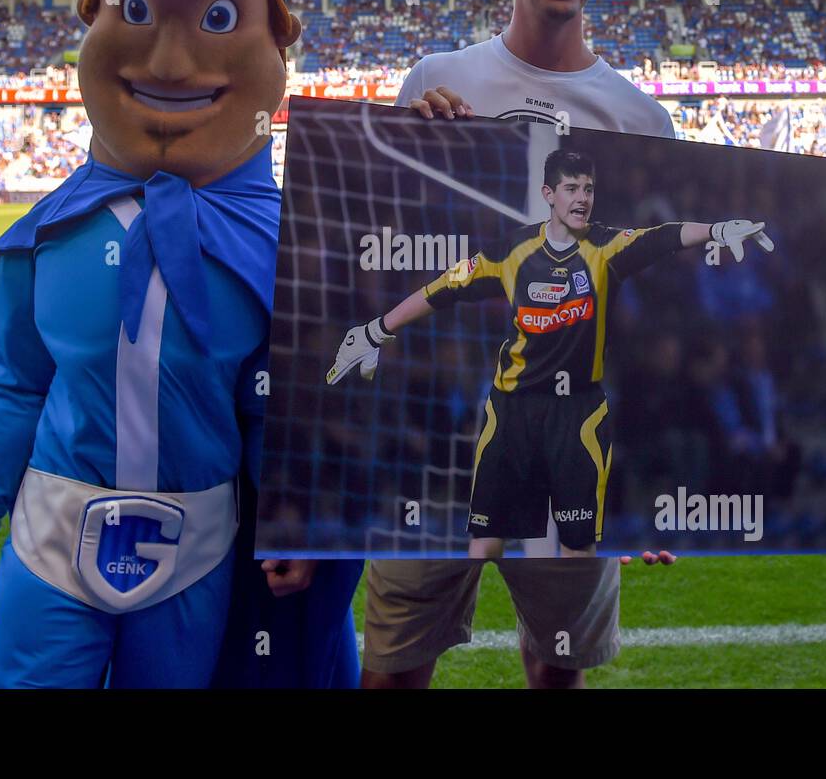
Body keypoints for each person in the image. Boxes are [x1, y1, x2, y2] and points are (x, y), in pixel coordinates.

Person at [0, 0, 360, 688]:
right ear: (93, 18)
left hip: (193, 544)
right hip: (51, 532)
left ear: (279, 42)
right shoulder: (48, 236)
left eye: (219, 17)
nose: (168, 56)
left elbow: (277, 408)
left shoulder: (281, 250)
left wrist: (296, 523)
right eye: (132, 10)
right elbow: (14, 383)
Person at [354, 0, 682, 690]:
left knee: (558, 666)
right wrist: (422, 145)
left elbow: (650, 309)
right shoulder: (437, 79)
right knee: (392, 666)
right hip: (436, 436)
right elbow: (392, 239)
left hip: (574, 425)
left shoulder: (641, 118)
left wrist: (652, 474)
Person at [329, 149, 773, 559]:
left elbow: (665, 237)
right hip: (512, 410)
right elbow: (442, 288)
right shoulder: (512, 251)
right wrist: (376, 329)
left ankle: (566, 642)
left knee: (577, 551)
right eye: (571, 188)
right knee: (484, 546)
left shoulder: (606, 246)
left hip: (577, 414)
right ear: (548, 194)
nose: (582, 198)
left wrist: (715, 230)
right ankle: (468, 637)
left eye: (589, 188)